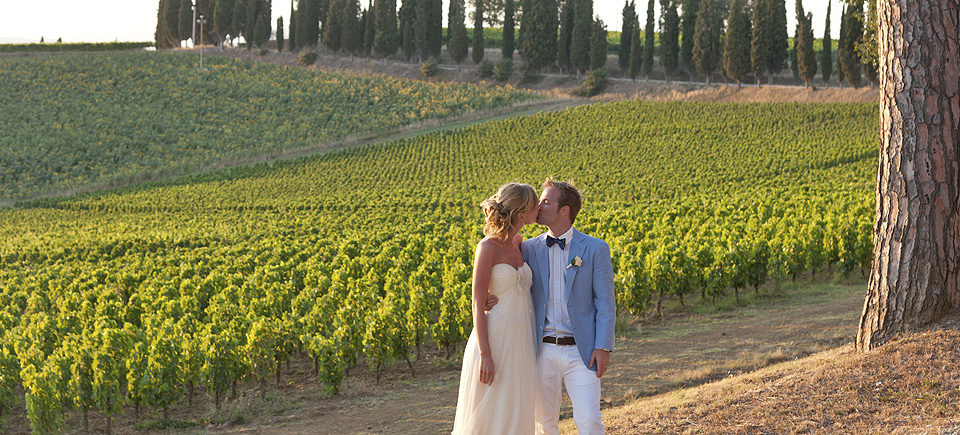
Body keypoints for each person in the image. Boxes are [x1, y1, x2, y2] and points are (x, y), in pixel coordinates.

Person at [521, 178, 616, 435]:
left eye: (545, 201)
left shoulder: (596, 248)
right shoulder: (528, 248)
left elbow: (605, 301)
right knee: (543, 424)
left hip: (582, 352)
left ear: (564, 210)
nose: (538, 206)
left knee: (588, 420)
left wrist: (603, 346)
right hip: (541, 351)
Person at [452, 182, 541, 435]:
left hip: (521, 339)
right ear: (521, 214)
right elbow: (478, 303)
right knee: (492, 411)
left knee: (515, 406)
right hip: (495, 338)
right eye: (535, 205)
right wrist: (485, 355)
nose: (539, 210)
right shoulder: (487, 247)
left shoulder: (519, 241)